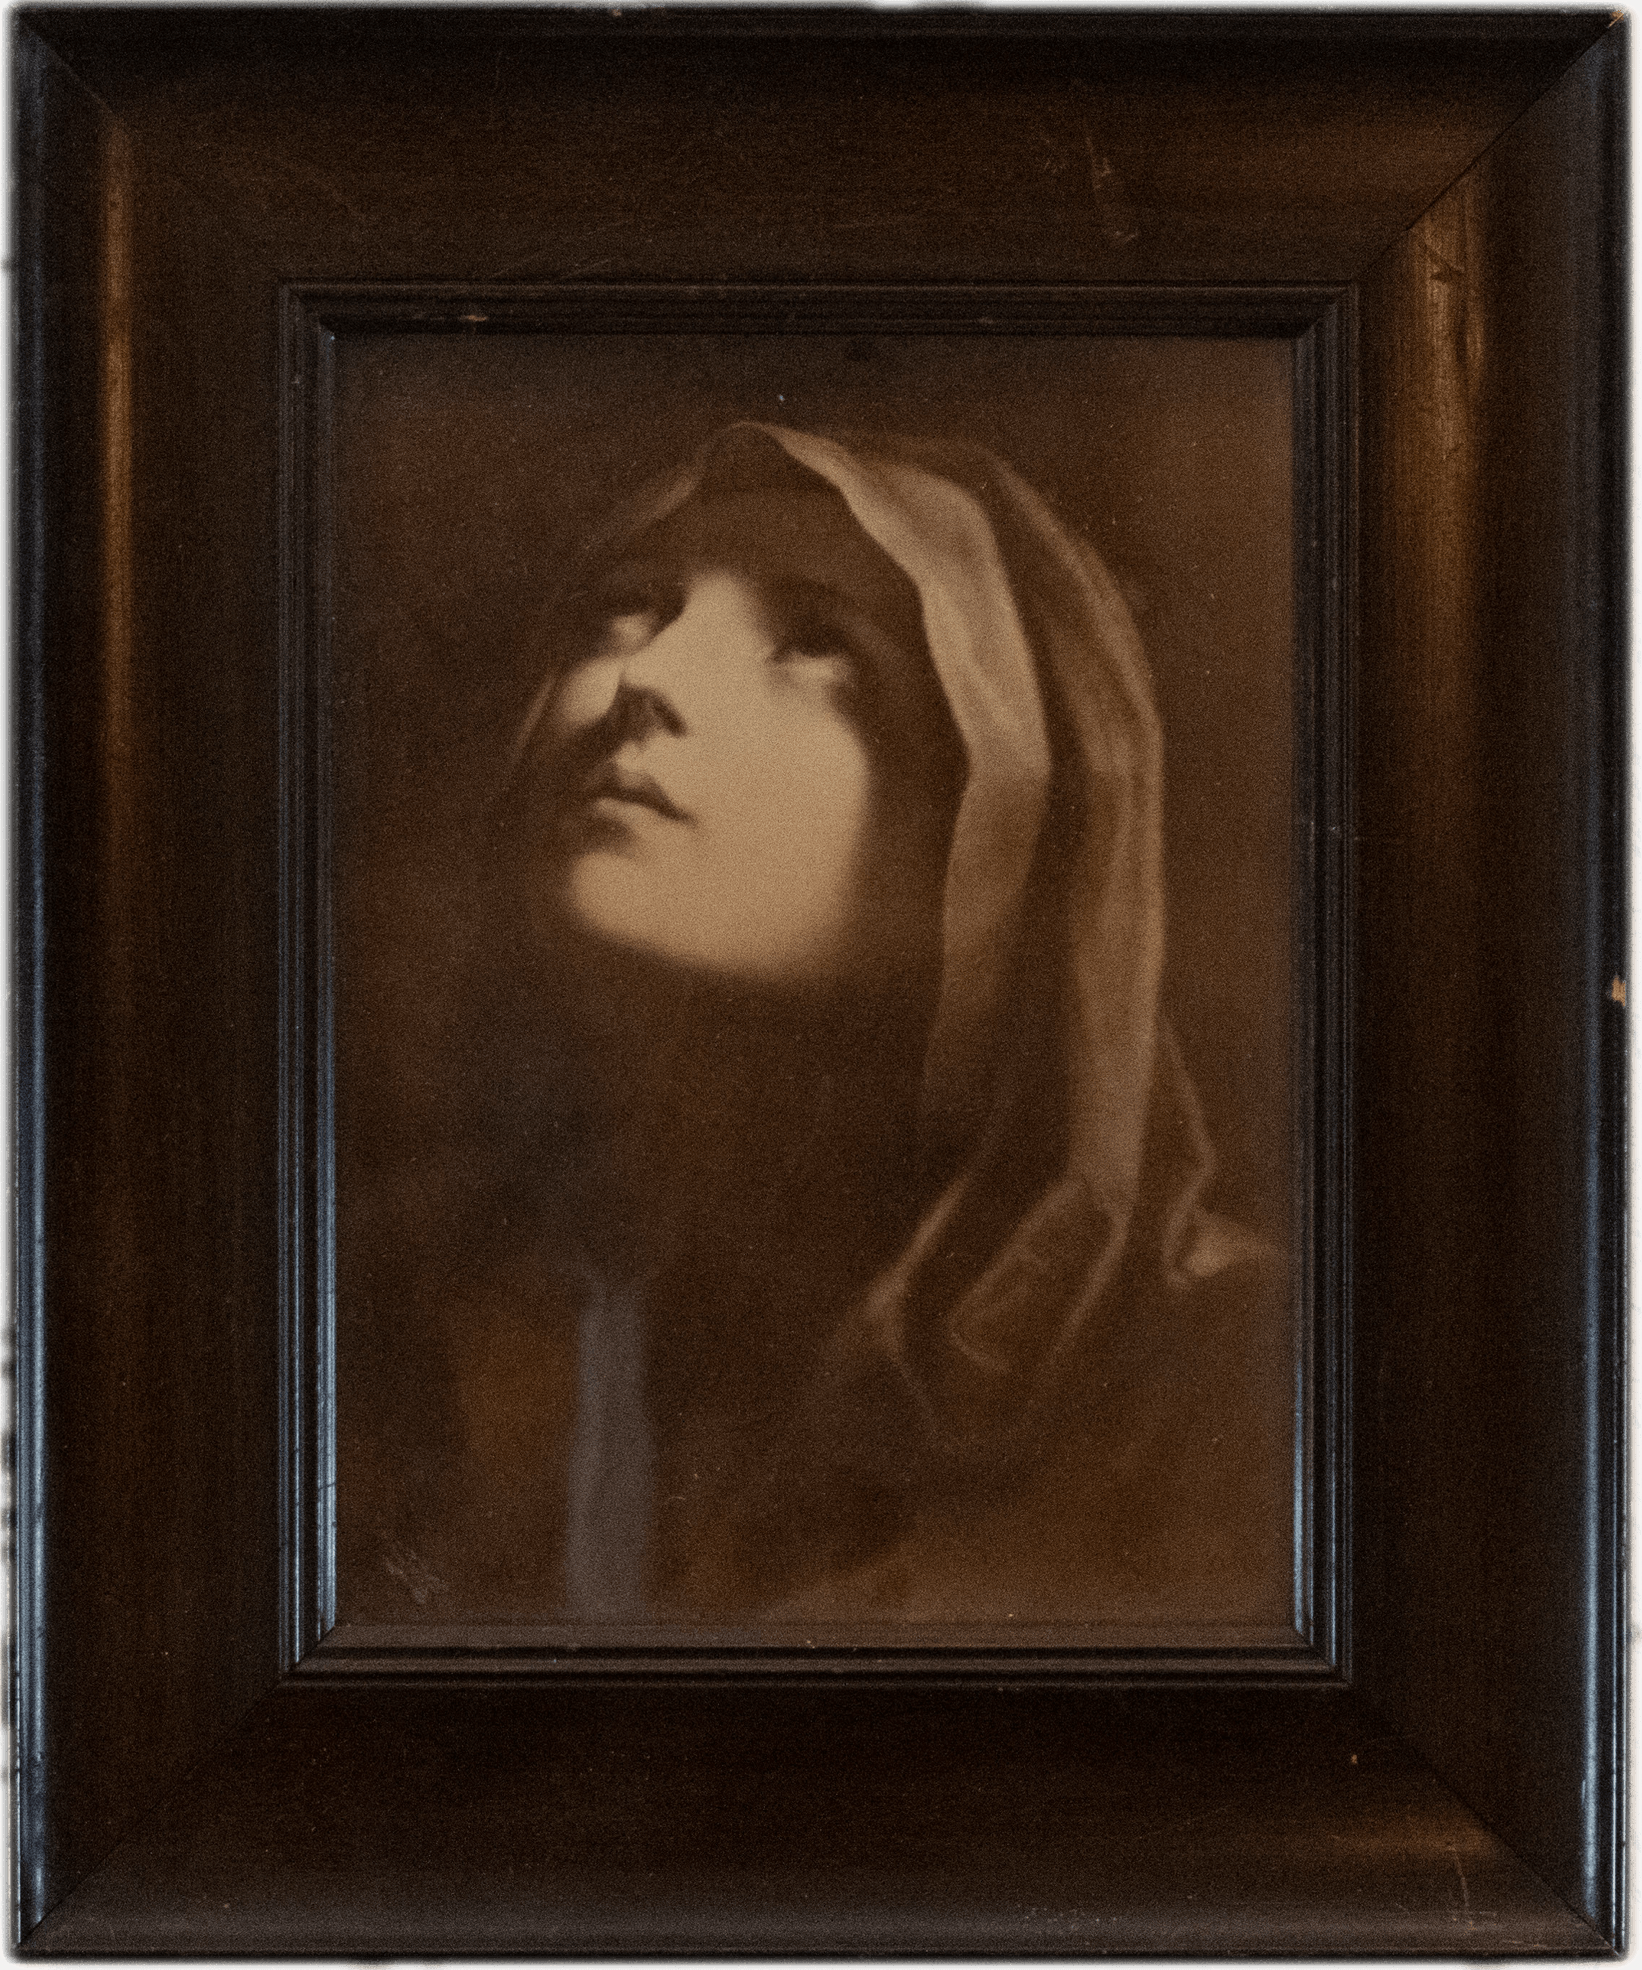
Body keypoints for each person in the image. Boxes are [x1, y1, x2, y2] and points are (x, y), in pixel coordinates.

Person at [364, 422, 1293, 1633]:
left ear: (989, 823)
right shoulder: (414, 1324)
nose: (648, 679)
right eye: (622, 611)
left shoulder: (1236, 1372)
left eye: (818, 642)